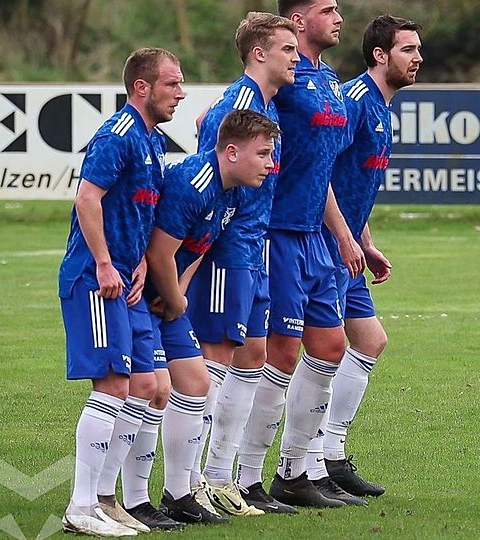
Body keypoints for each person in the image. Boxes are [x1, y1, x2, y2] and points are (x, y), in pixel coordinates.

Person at [234, 0, 365, 509]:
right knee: (279, 354)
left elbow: (322, 169)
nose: (338, 17)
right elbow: (228, 127)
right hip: (277, 231)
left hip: (316, 234)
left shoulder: (330, 79)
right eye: (327, 8)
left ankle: (299, 471)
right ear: (297, 18)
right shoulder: (280, 77)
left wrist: (347, 235)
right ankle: (245, 478)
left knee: (331, 346)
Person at [58, 47, 184, 537]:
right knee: (111, 386)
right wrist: (108, 262)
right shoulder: (119, 134)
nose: (181, 92)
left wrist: (134, 267)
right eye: (172, 83)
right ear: (142, 88)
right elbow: (87, 198)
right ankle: (80, 507)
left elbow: (138, 212)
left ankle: (106, 502)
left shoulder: (152, 141)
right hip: (94, 279)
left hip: (123, 280)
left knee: (149, 386)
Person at [185, 11, 299, 517]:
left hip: (255, 250)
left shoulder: (264, 105)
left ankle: (222, 478)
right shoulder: (234, 106)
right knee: (216, 359)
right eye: (287, 49)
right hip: (226, 250)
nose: (297, 58)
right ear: (259, 53)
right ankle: (190, 484)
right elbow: (211, 178)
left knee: (252, 355)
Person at [142, 109, 280, 525]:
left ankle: (179, 492)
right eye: (264, 155)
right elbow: (158, 251)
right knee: (139, 391)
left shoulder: (233, 191)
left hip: (165, 295)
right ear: (232, 152)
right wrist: (175, 298)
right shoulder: (194, 181)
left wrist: (178, 291)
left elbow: (198, 248)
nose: (271, 164)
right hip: (137, 296)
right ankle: (122, 500)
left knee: (195, 382)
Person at [306, 13, 423, 498]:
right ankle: (307, 463)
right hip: (328, 243)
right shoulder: (353, 102)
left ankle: (332, 454)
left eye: (417, 49)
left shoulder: (381, 106)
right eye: (408, 50)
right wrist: (343, 237)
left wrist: (365, 239)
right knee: (322, 353)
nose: (418, 58)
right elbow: (322, 174)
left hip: (349, 244)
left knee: (370, 341)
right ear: (380, 55)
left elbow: (357, 185)